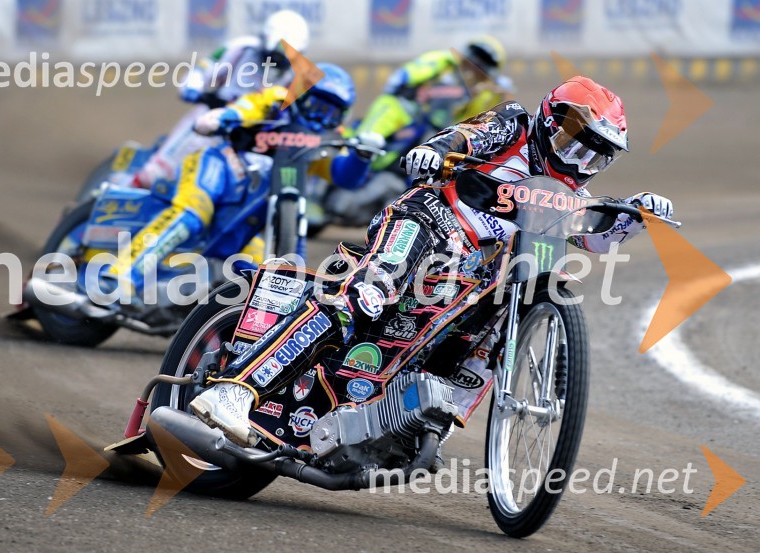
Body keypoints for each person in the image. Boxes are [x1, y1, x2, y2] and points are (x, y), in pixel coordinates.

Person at [190, 76, 674, 446]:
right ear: (550, 121)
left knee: (500, 325)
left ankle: (416, 422)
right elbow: (467, 136)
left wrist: (635, 217)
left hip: (471, 277)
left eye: (594, 155)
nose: (578, 159)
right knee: (366, 295)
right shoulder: (515, 123)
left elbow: (596, 240)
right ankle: (235, 389)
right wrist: (436, 151)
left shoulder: (568, 193)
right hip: (428, 220)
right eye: (573, 141)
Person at [104, 64, 383, 300]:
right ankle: (119, 274)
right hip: (220, 167)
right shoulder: (276, 101)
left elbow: (344, 176)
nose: (319, 118)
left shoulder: (326, 139)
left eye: (330, 113)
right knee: (191, 215)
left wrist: (362, 156)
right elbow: (247, 108)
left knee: (255, 266)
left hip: (250, 214)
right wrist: (226, 116)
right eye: (315, 106)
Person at [133, 10, 311, 188]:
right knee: (154, 174)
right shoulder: (242, 49)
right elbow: (204, 69)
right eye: (278, 50)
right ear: (265, 38)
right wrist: (192, 87)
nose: (280, 58)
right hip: (211, 118)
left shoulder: (297, 78)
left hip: (251, 138)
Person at [354, 36, 515, 174]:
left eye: (484, 63)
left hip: (439, 130)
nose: (476, 64)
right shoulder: (443, 61)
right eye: (476, 57)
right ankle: (356, 146)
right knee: (390, 107)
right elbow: (403, 77)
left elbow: (478, 125)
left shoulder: (487, 91)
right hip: (412, 113)